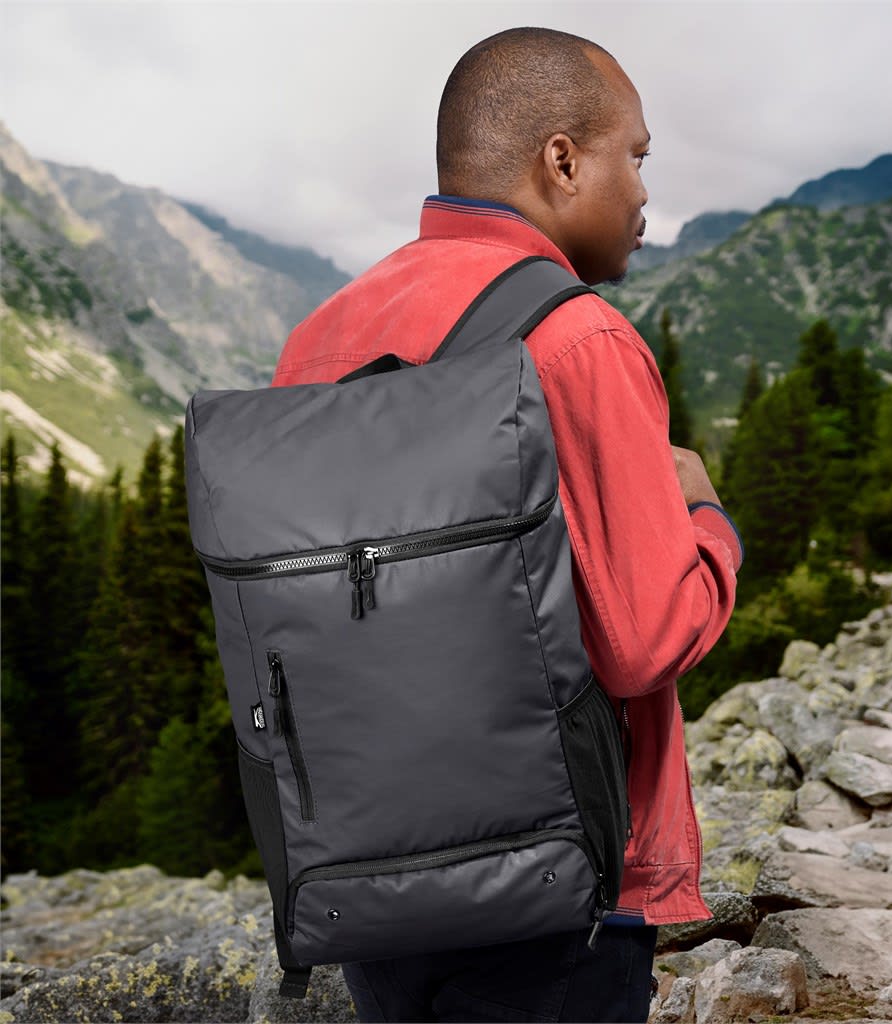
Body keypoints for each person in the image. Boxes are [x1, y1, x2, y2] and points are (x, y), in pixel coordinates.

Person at [272, 26, 743, 1024]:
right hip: (554, 891)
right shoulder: (579, 337)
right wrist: (707, 518)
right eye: (636, 157)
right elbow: (645, 641)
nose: (645, 193)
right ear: (562, 160)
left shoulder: (321, 336)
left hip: (371, 874)